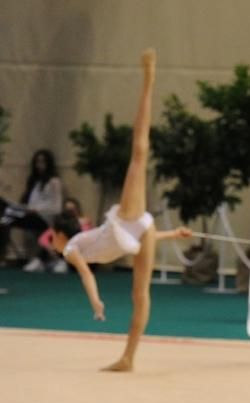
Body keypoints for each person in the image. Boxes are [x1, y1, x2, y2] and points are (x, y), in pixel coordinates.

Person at [48, 49, 191, 371]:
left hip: (126, 225)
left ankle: (148, 79)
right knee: (140, 295)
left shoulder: (72, 248)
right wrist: (174, 233)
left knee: (139, 154)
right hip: (138, 233)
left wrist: (95, 301)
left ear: (59, 235)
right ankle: (128, 358)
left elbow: (86, 274)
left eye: (51, 238)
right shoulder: (81, 241)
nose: (51, 244)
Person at [0, 149, 63, 270]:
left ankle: (41, 259)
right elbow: (29, 204)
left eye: (43, 162)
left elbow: (56, 206)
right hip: (29, 214)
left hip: (43, 218)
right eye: (37, 162)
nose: (39, 165)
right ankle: (2, 255)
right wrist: (22, 207)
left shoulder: (54, 182)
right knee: (4, 216)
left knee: (6, 217)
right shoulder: (34, 181)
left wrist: (36, 209)